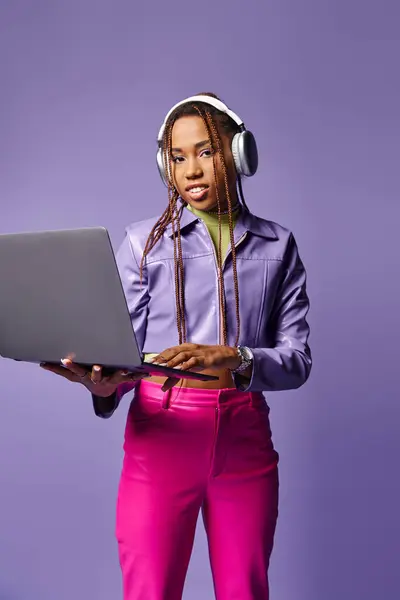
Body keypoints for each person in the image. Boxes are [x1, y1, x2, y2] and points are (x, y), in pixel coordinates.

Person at [41, 93, 312, 600]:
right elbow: (120, 351)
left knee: (245, 591)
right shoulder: (142, 243)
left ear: (238, 154)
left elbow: (298, 360)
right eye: (178, 156)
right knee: (150, 591)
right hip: (160, 433)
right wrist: (103, 386)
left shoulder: (278, 247)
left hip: (244, 437)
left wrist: (238, 357)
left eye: (206, 152)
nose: (191, 169)